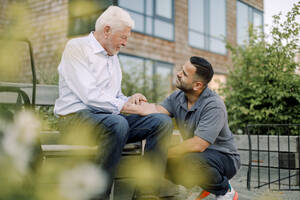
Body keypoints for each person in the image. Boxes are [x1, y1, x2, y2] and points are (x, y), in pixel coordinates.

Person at [54, 6, 172, 200]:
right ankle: (98, 196)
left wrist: (130, 99)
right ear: (107, 30)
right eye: (123, 37)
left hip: (109, 121)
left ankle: (147, 194)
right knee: (118, 123)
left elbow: (113, 96)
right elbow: (90, 96)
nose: (125, 43)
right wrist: (126, 107)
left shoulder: (113, 57)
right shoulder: (76, 48)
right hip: (74, 119)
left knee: (161, 123)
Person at [141, 56, 241, 200]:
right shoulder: (177, 97)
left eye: (184, 74)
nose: (178, 74)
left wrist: (163, 153)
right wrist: (127, 105)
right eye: (181, 69)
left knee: (188, 160)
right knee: (163, 164)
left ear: (197, 85)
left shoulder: (214, 105)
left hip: (225, 159)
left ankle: (224, 190)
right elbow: (156, 109)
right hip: (199, 156)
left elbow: (198, 145)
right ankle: (201, 185)